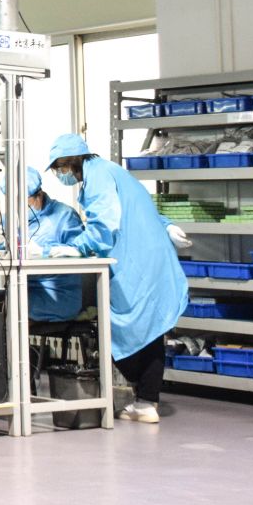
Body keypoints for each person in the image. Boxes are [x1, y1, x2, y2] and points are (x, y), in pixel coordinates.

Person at [46, 133, 188, 424]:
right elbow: (138, 206)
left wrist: (79, 247)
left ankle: (145, 401)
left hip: (136, 263)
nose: (60, 174)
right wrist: (166, 224)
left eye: (60, 168)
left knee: (134, 333)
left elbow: (105, 222)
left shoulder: (98, 176)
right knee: (149, 331)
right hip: (146, 258)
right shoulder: (111, 171)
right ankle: (146, 401)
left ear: (70, 162)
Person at [3, 166, 84, 322]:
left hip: (58, 296)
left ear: (39, 195)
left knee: (5, 313)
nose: (18, 209)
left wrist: (45, 252)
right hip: (21, 290)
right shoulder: (11, 218)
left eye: (24, 204)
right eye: (13, 203)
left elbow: (80, 252)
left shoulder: (64, 216)